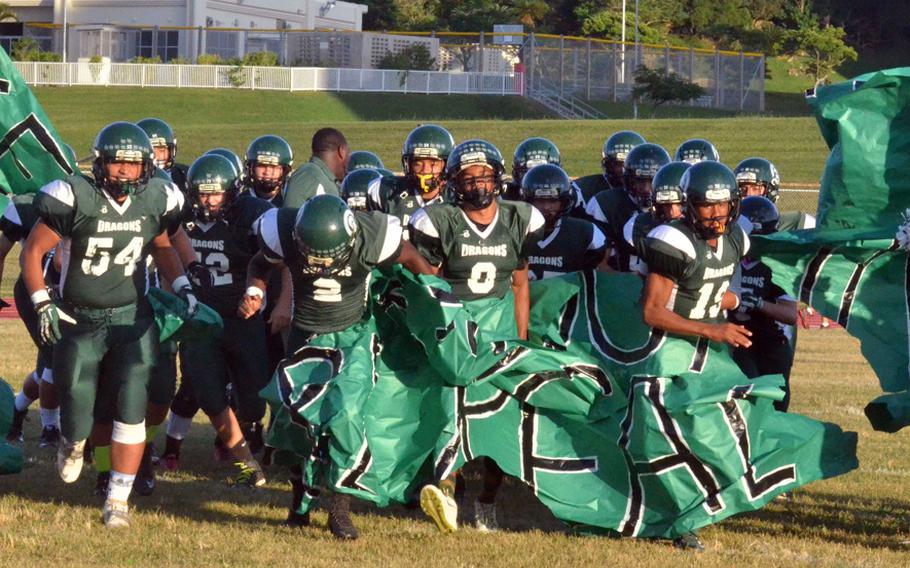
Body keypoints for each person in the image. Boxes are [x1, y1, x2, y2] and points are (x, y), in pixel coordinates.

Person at [20, 121, 196, 528]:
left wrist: (184, 284)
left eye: (133, 165)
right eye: (116, 162)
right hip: (79, 320)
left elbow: (164, 244)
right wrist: (42, 301)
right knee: (78, 414)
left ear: (146, 168)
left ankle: (118, 499)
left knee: (131, 406)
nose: (124, 171)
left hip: (131, 318)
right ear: (99, 163)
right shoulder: (73, 196)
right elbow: (32, 253)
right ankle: (72, 440)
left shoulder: (158, 196)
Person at [240, 194, 433, 539]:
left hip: (353, 335)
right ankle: (300, 500)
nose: (319, 263)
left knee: (346, 416)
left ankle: (339, 508)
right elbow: (259, 264)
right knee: (296, 421)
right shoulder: (282, 230)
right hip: (305, 335)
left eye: (327, 256)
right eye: (311, 254)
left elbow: (418, 264)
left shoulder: (373, 235)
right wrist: (255, 291)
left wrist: (435, 302)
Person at [409, 139, 545, 533]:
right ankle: (447, 490)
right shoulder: (441, 220)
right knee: (453, 409)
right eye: (467, 178)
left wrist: (520, 340)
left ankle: (486, 501)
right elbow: (430, 286)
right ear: (454, 182)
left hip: (499, 329)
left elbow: (520, 285)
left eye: (483, 175)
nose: (477, 185)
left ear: (497, 177)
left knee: (500, 420)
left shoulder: (518, 219)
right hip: (458, 329)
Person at [640, 159, 751, 550]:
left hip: (708, 351)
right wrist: (714, 327)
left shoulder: (738, 238)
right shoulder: (673, 240)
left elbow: (705, 283)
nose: (717, 213)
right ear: (690, 205)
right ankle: (678, 520)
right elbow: (653, 311)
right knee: (673, 439)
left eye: (723, 204)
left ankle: (709, 501)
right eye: (707, 205)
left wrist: (728, 298)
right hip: (667, 350)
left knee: (729, 426)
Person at [176, 154, 275, 485]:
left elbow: (273, 260)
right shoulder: (181, 215)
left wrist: (256, 293)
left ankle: (247, 427)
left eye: (215, 194)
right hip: (200, 317)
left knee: (254, 399)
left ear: (232, 192)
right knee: (207, 390)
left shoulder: (253, 214)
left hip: (240, 316)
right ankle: (245, 463)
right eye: (202, 194)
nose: (207, 201)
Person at [1, 194, 62, 447]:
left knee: (47, 367)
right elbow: (2, 249)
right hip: (35, 291)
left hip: (73, 292)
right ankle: (50, 427)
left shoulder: (91, 199)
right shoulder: (28, 204)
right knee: (56, 361)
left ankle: (17, 411)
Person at [729, 196, 798, 411]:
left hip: (770, 340)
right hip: (735, 337)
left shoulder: (777, 265)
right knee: (747, 396)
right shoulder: (727, 257)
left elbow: (791, 315)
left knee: (778, 402)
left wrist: (759, 304)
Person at [585, 143, 671, 272]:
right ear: (628, 180)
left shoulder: (676, 206)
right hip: (620, 284)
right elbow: (599, 264)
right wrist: (625, 282)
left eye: (652, 181)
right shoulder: (607, 204)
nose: (647, 189)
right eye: (640, 181)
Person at [521, 163, 608, 280]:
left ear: (564, 202)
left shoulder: (585, 233)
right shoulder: (514, 231)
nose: (546, 207)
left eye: (553, 201)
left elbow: (601, 269)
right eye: (540, 200)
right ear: (528, 201)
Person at [368, 124, 454, 230]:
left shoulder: (456, 199)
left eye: (433, 163)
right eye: (418, 163)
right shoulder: (385, 191)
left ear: (446, 164)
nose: (425, 170)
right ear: (408, 164)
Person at [623, 161, 691, 276]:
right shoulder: (640, 226)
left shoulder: (711, 230)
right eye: (665, 205)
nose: (672, 212)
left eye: (679, 204)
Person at [734, 157, 815, 231]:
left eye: (755, 188)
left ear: (771, 191)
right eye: (742, 189)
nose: (748, 194)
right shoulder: (727, 227)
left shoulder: (796, 224)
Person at [572, 130, 645, 204]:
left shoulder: (652, 192)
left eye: (631, 166)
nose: (624, 171)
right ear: (608, 165)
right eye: (619, 164)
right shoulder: (584, 189)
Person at [282, 128, 348, 208]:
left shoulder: (322, 176)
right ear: (342, 151)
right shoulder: (309, 176)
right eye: (348, 153)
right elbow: (291, 215)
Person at [136, 118, 188, 192]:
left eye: (162, 150)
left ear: (171, 150)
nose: (157, 157)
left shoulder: (183, 175)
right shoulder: (130, 178)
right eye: (151, 151)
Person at [243, 135, 294, 207]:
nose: (267, 172)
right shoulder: (239, 200)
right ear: (251, 167)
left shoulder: (291, 199)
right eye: (261, 166)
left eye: (274, 167)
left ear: (284, 170)